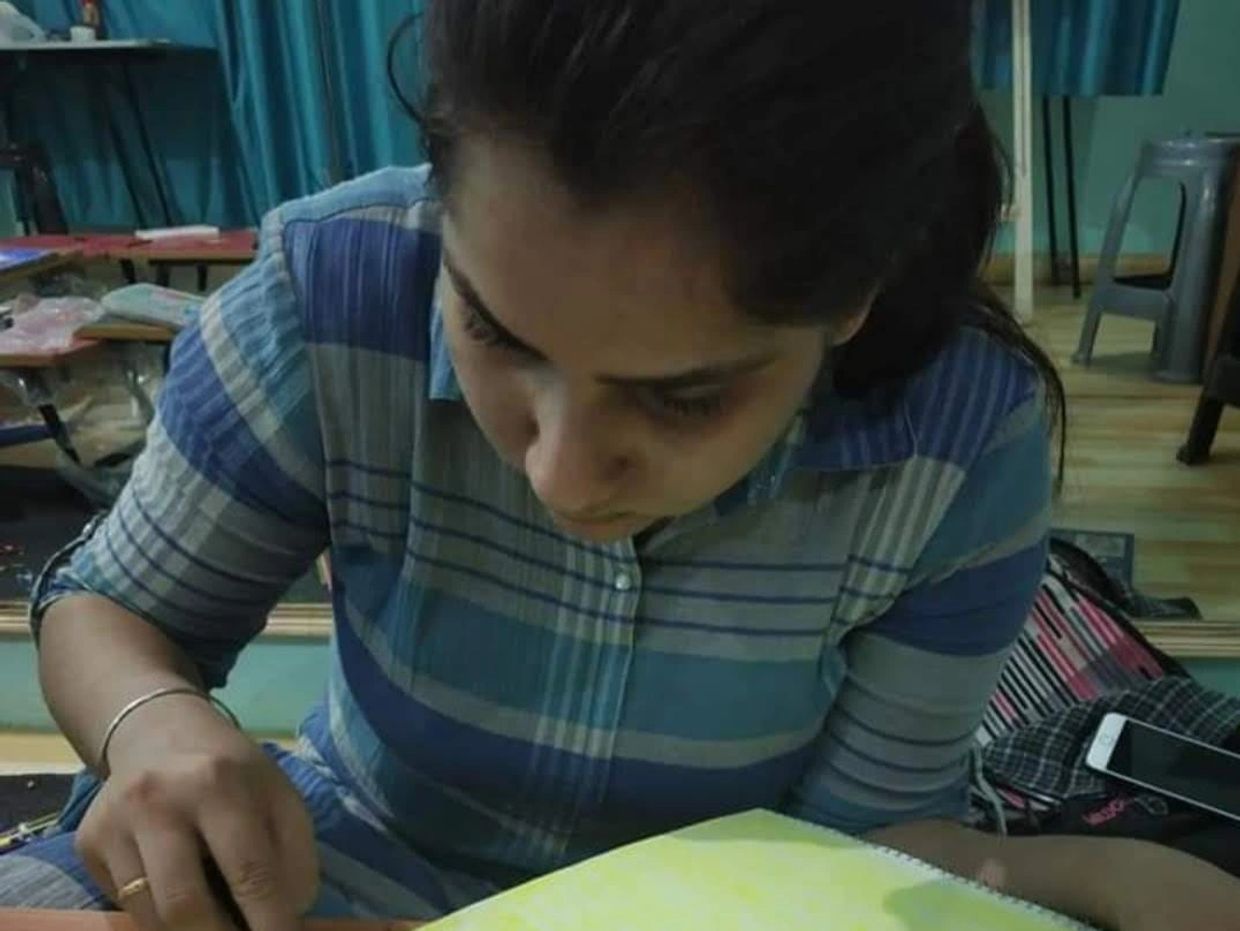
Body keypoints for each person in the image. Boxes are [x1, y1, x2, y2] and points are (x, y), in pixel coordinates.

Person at [2, 2, 1238, 929]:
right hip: (333, 851)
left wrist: (1076, 871)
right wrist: (153, 723)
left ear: (852, 298)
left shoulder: (959, 439)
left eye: (685, 395)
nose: (562, 474)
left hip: (730, 899)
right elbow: (112, 606)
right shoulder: (333, 289)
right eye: (492, 332)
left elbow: (865, 842)